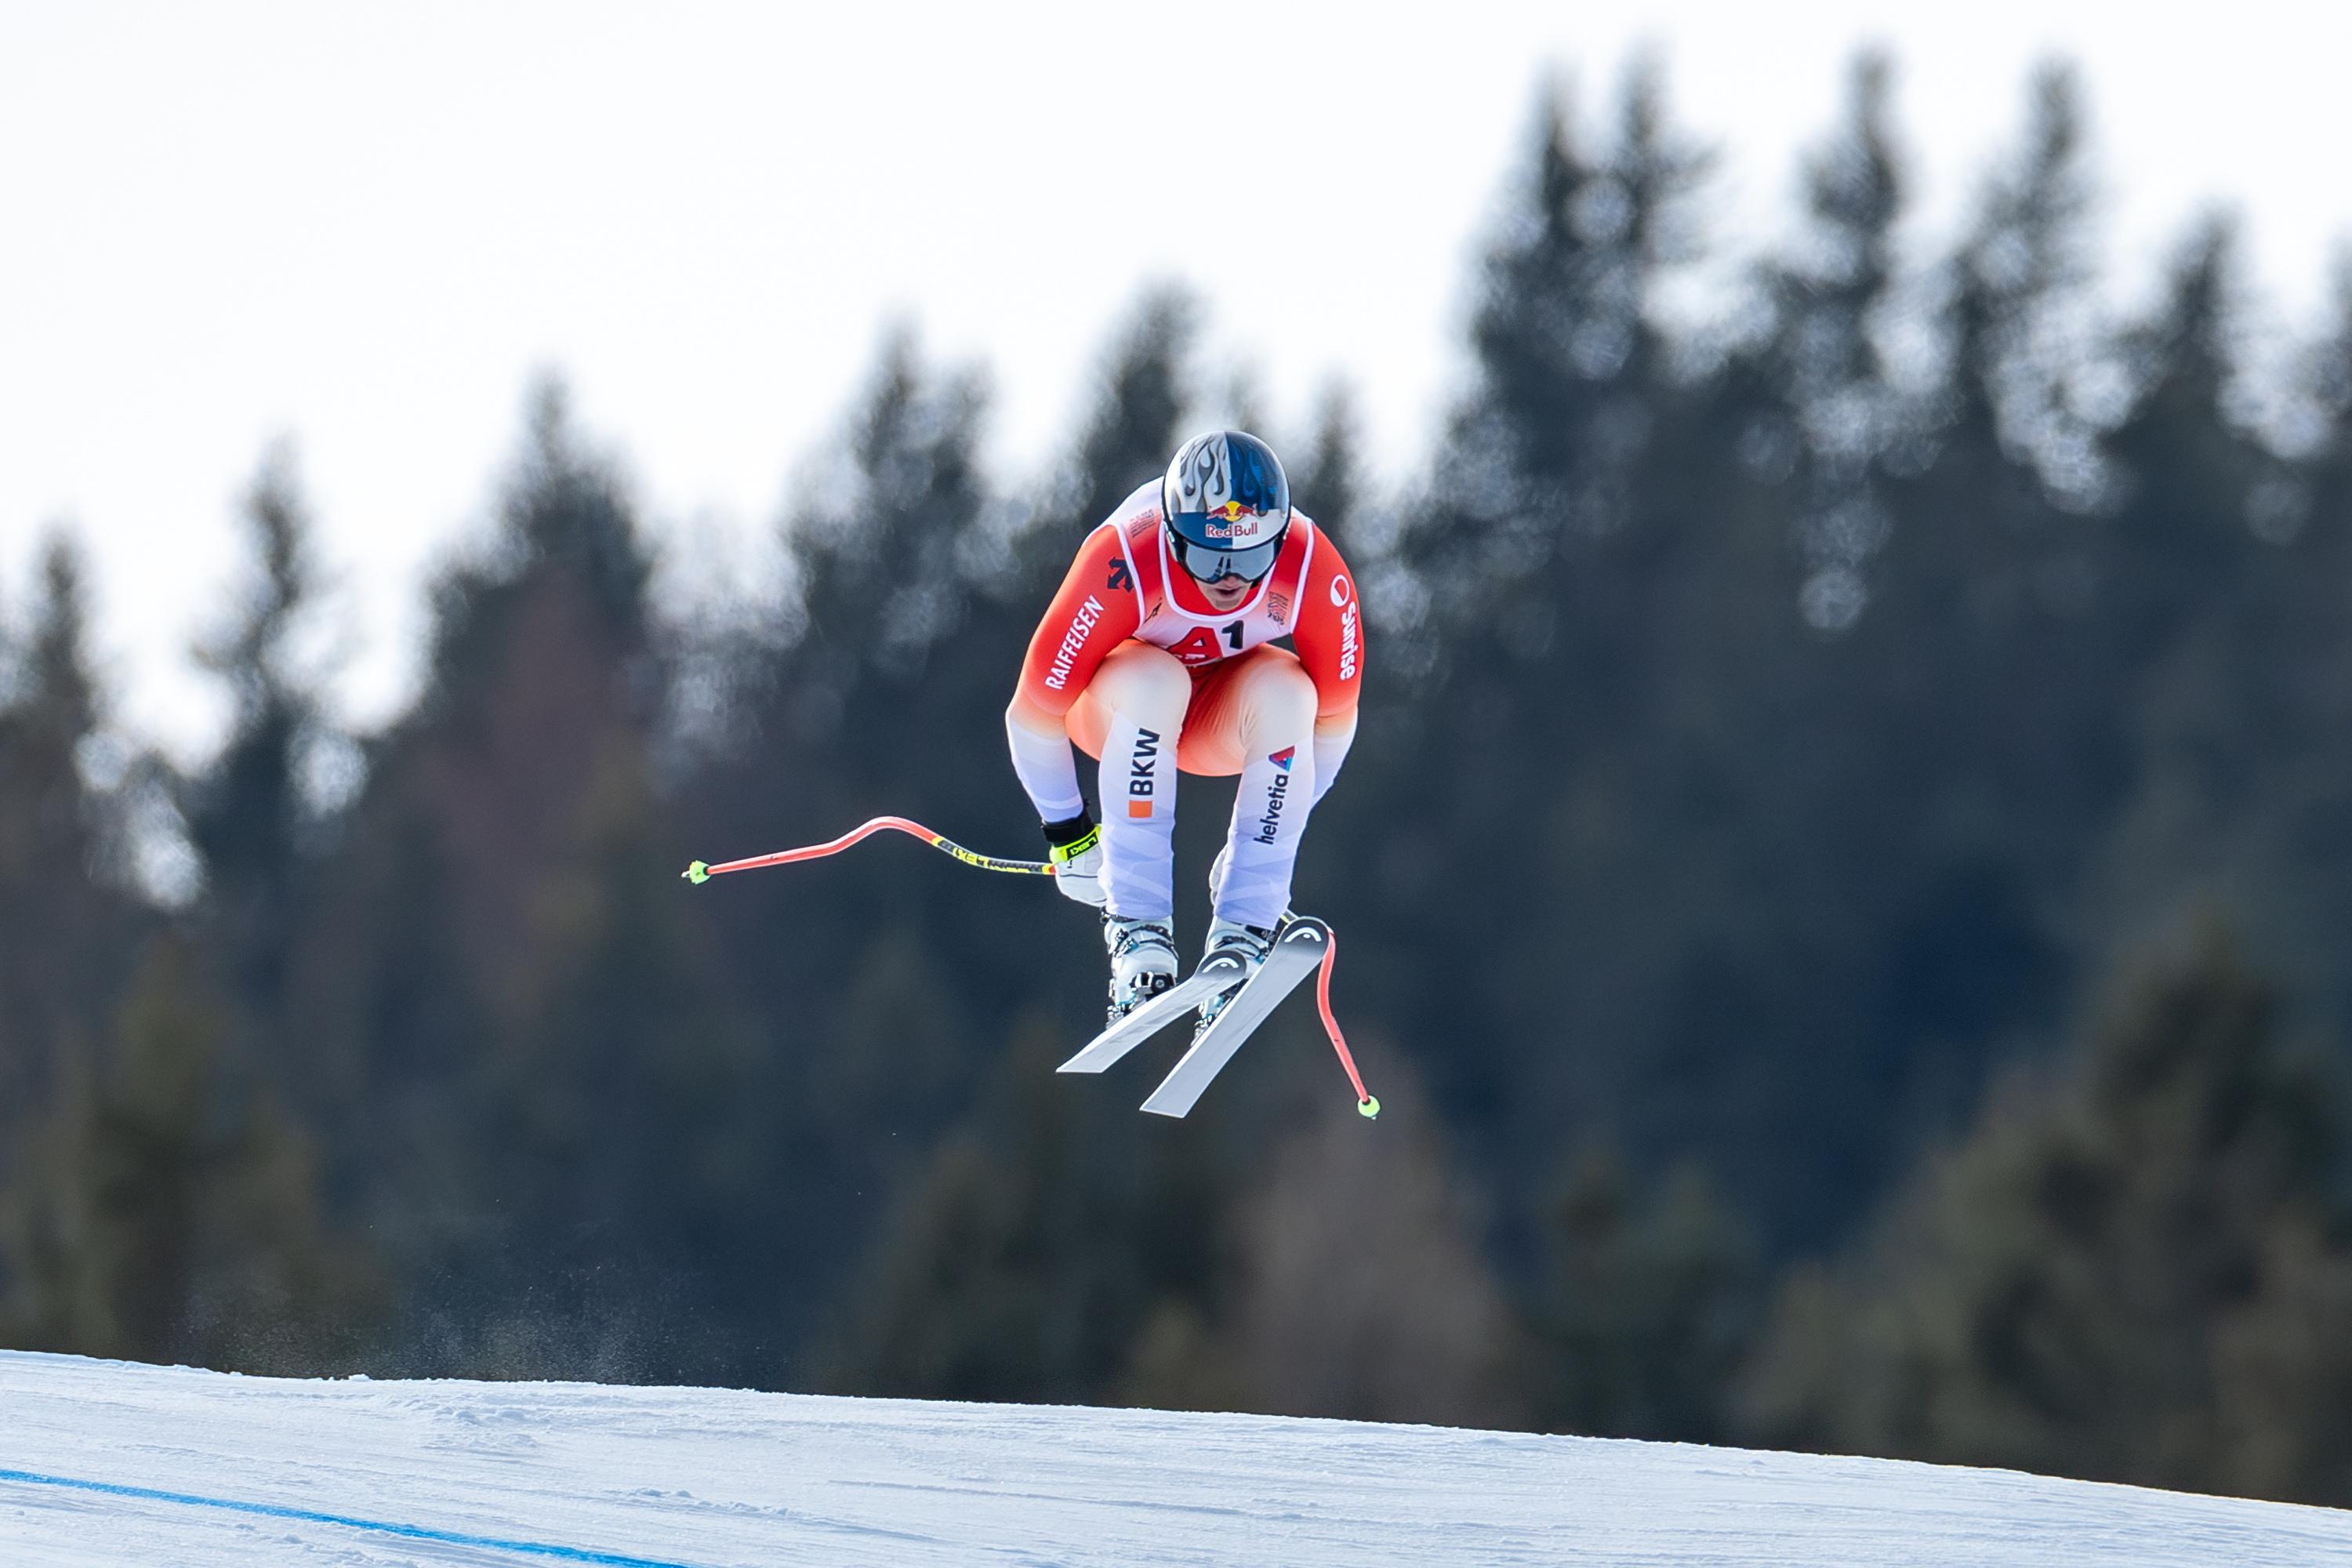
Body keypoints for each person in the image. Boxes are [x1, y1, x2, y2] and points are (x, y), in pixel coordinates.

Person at [1006, 430, 1365, 1024]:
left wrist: (1266, 840)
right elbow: (1033, 712)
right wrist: (1070, 832)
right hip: (1119, 710)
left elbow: (1335, 720)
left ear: (1277, 539)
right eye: (1207, 556)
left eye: (1250, 560)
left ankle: (1245, 926)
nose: (1230, 580)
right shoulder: (1123, 557)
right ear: (1173, 537)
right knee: (1156, 681)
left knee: (1292, 695)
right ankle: (1137, 934)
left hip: (1215, 718)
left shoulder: (1309, 568)